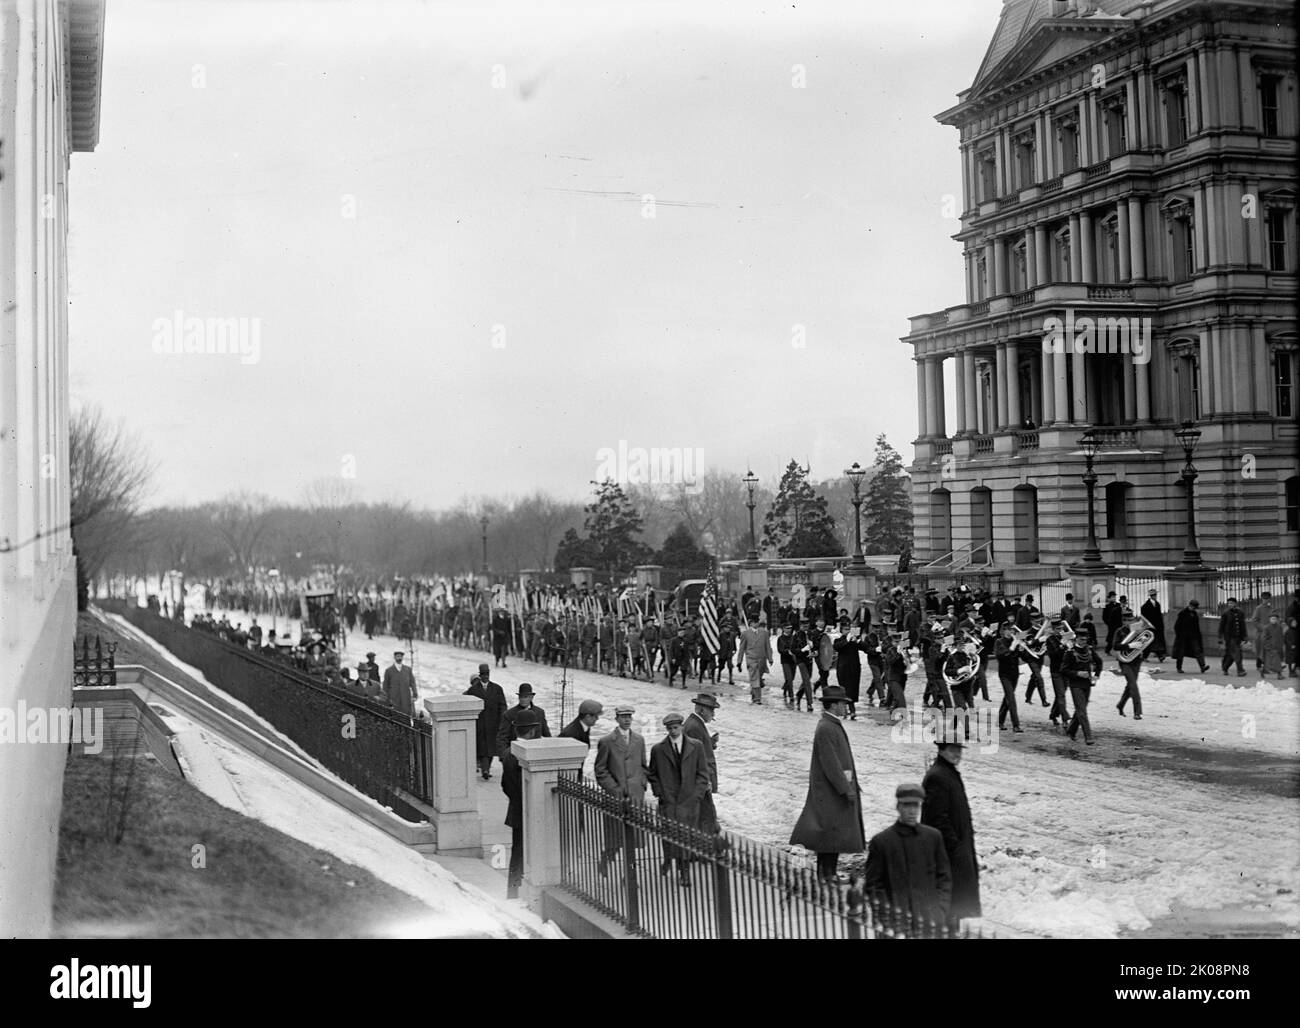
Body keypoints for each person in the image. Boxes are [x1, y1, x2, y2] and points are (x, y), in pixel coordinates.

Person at [789, 685, 865, 883]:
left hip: (833, 790)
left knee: (831, 834)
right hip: (831, 791)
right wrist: (845, 789)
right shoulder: (826, 727)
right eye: (843, 704)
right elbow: (831, 763)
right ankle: (826, 874)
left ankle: (827, 873)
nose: (846, 707)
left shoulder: (830, 725)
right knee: (830, 833)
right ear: (833, 705)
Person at [864, 783, 952, 930]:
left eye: (916, 806)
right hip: (897, 922)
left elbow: (944, 877)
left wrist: (940, 909)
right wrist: (886, 916)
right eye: (907, 806)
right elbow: (873, 885)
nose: (912, 812)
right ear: (898, 807)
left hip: (928, 919)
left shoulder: (932, 837)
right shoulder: (882, 842)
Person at [647, 712, 711, 887]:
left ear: (682, 727)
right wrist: (659, 793)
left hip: (689, 801)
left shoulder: (696, 747)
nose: (673, 731)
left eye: (676, 727)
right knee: (668, 834)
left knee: (686, 836)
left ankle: (684, 871)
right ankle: (668, 859)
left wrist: (696, 795)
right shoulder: (658, 749)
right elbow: (652, 774)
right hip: (668, 800)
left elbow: (703, 774)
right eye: (670, 728)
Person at [922, 741, 980, 925]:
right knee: (949, 903)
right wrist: (955, 846)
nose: (957, 754)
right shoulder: (938, 776)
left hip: (955, 850)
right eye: (952, 750)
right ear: (942, 750)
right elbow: (936, 818)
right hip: (948, 853)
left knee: (955, 906)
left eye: (959, 750)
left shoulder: (947, 772)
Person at [594, 705, 650, 877]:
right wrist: (615, 789)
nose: (626, 720)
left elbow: (643, 765)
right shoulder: (607, 741)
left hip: (634, 797)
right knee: (615, 837)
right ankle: (606, 858)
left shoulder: (639, 740)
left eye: (629, 717)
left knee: (632, 841)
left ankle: (629, 877)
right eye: (623, 716)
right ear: (616, 718)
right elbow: (600, 770)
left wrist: (641, 784)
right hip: (615, 798)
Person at [501, 708, 542, 898]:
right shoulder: (527, 753)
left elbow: (505, 785)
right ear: (533, 730)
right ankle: (519, 892)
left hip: (517, 811)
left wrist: (516, 801)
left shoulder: (510, 752)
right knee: (526, 854)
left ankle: (513, 891)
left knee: (518, 853)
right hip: (528, 810)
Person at [682, 694, 720, 834]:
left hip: (699, 781)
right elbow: (694, 757)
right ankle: (707, 848)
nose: (713, 714)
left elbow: (697, 748)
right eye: (712, 710)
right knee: (707, 818)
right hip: (699, 782)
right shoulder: (694, 726)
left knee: (706, 817)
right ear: (703, 710)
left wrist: (710, 742)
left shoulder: (694, 724)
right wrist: (705, 780)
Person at [465, 665, 508, 780]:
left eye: (487, 674)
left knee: (491, 749)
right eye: (483, 674)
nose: (485, 676)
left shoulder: (497, 689)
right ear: (480, 675)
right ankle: (485, 769)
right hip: (479, 724)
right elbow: (467, 706)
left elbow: (503, 705)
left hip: (493, 724)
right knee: (483, 748)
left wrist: (503, 718)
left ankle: (486, 768)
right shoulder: (473, 690)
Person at [1062, 632, 1102, 745]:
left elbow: (1099, 662)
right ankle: (1088, 736)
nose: (1083, 642)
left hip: (1087, 684)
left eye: (1085, 639)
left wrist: (1097, 675)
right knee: (1082, 711)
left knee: (1080, 710)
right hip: (1075, 685)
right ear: (1076, 640)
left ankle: (1071, 730)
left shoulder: (1089, 650)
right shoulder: (1069, 653)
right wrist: (1077, 673)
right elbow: (1064, 670)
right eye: (1081, 639)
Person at [497, 683, 552, 757]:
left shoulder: (539, 712)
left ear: (531, 697)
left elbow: (546, 734)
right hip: (516, 754)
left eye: (525, 697)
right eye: (521, 697)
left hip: (536, 753)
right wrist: (504, 756)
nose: (522, 699)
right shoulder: (509, 714)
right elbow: (502, 738)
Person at [834, 621, 871, 720]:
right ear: (841, 631)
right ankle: (845, 709)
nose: (848, 631)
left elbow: (866, 648)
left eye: (849, 629)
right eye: (846, 629)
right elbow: (837, 647)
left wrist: (858, 641)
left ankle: (852, 709)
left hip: (854, 668)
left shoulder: (854, 640)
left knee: (853, 688)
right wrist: (846, 640)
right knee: (844, 688)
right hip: (843, 668)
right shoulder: (838, 640)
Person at [1115, 615, 1148, 719]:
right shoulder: (1119, 631)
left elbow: (1145, 643)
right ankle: (1137, 712)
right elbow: (1115, 646)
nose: (1130, 622)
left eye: (1131, 620)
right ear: (1123, 621)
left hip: (1136, 661)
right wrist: (1129, 645)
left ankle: (1120, 705)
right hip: (1125, 661)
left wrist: (1143, 640)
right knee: (1133, 685)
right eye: (1127, 620)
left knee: (1130, 686)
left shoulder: (1137, 630)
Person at [993, 623, 1024, 734]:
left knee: (1007, 697)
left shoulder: (1014, 641)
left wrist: (1022, 649)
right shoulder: (999, 642)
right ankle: (1016, 725)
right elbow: (1000, 656)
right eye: (1009, 630)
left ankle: (1000, 721)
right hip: (1004, 674)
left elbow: (1022, 657)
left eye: (1012, 630)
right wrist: (1012, 648)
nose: (1011, 632)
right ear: (1004, 631)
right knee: (1011, 698)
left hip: (1014, 674)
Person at [739, 617, 772, 704]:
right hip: (751, 660)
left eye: (757, 622)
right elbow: (742, 649)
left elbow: (767, 647)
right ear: (750, 623)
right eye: (754, 622)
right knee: (755, 679)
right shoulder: (745, 634)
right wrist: (739, 661)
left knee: (758, 679)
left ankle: (754, 695)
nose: (756, 624)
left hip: (762, 660)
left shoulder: (764, 633)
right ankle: (758, 699)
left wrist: (770, 658)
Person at [1172, 599, 1210, 673]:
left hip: (1193, 636)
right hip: (1183, 637)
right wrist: (1180, 635)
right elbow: (1177, 626)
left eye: (1195, 608)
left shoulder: (1194, 614)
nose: (1194, 609)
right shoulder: (1182, 613)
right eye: (1193, 607)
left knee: (1197, 650)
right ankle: (1179, 668)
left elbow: (1196, 626)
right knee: (1181, 652)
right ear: (1190, 606)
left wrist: (1198, 636)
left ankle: (1202, 666)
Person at [382, 650, 418, 720]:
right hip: (394, 697)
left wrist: (415, 693)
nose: (399, 658)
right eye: (398, 656)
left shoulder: (408, 670)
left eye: (401, 656)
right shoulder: (389, 670)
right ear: (394, 657)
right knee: (395, 716)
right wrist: (386, 697)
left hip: (405, 697)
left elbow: (412, 682)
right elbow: (385, 685)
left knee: (406, 715)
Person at [1219, 598, 1249, 677]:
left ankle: (1225, 667)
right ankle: (1240, 670)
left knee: (1231, 655)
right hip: (1230, 637)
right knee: (1237, 653)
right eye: (1229, 603)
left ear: (1235, 603)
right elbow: (1221, 626)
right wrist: (1220, 638)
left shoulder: (1240, 613)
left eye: (1232, 603)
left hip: (1238, 637)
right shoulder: (1226, 614)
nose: (1230, 605)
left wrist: (1245, 636)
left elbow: (1242, 625)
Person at [1140, 590, 1167, 662]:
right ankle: (1145, 656)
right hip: (1150, 627)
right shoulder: (1145, 606)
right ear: (1151, 596)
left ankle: (1160, 656)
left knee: (1157, 641)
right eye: (1154, 595)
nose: (1155, 596)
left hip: (1157, 627)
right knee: (1149, 642)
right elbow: (1144, 617)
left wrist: (1161, 625)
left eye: (1155, 595)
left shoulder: (1157, 604)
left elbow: (1159, 616)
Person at [1260, 613, 1285, 678]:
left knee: (1272, 662)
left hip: (1278, 647)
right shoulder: (1267, 627)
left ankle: (1263, 671)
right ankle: (1279, 674)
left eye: (1275, 619)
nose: (1274, 620)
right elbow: (1264, 638)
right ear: (1269, 619)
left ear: (1277, 620)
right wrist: (1267, 645)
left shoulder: (1279, 627)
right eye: (1272, 619)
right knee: (1275, 661)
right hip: (1270, 647)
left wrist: (1281, 644)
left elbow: (1281, 636)